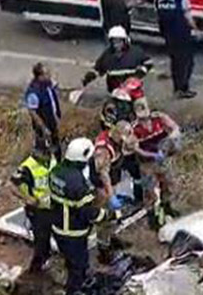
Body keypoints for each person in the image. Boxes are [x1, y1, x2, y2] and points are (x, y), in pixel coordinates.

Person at [50, 138, 118, 294]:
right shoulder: (79, 184)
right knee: (78, 268)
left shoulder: (56, 171)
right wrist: (110, 215)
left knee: (71, 262)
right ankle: (74, 290)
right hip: (73, 232)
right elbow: (89, 213)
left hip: (57, 226)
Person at [132, 100, 181, 224]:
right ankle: (152, 216)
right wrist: (152, 155)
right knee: (150, 191)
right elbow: (136, 149)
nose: (145, 120)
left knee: (168, 184)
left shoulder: (159, 118)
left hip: (162, 159)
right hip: (147, 163)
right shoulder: (134, 128)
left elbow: (175, 128)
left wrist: (170, 140)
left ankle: (167, 207)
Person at [11, 143, 56, 275]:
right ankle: (36, 268)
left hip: (53, 206)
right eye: (45, 153)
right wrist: (27, 198)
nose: (48, 156)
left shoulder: (52, 160)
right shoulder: (27, 167)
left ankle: (48, 258)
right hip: (38, 210)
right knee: (41, 239)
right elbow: (12, 185)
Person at [156, 0, 196, 98]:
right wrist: (195, 28)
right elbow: (187, 16)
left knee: (175, 62)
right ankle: (183, 88)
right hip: (182, 34)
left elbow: (160, 18)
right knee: (186, 62)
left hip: (169, 36)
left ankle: (176, 88)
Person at [83, 26, 152, 92]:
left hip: (132, 86)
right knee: (114, 99)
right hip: (115, 88)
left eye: (119, 41)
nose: (116, 44)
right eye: (114, 41)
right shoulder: (107, 55)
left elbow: (148, 63)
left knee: (139, 99)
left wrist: (140, 73)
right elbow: (98, 69)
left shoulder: (135, 52)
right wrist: (88, 78)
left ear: (125, 41)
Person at [22, 62, 62, 152]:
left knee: (56, 146)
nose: (49, 75)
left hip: (52, 122)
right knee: (44, 149)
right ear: (40, 76)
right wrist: (44, 128)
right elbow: (33, 112)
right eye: (46, 73)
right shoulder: (34, 93)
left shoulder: (47, 84)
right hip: (44, 127)